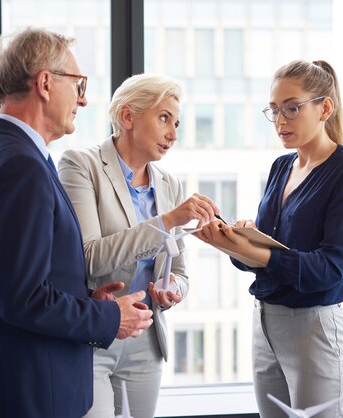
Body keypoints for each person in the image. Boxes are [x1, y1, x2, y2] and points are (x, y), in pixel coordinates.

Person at [0, 27, 154, 418]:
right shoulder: (20, 167)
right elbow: (23, 299)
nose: (83, 98)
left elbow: (16, 282)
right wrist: (110, 317)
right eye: (77, 84)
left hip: (14, 381)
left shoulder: (5, 152)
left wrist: (84, 298)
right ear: (45, 82)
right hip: (27, 392)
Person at [197, 60, 343, 418]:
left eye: (292, 108)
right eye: (274, 110)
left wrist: (252, 251)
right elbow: (266, 260)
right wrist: (229, 242)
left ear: (325, 107)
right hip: (265, 324)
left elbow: (329, 269)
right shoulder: (281, 167)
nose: (280, 121)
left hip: (315, 329)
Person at [58, 73, 221, 418]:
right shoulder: (80, 165)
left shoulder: (169, 185)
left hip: (146, 339)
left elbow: (180, 272)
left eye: (176, 123)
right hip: (94, 338)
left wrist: (172, 288)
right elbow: (90, 258)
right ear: (128, 117)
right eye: (164, 119)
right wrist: (168, 221)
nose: (173, 134)